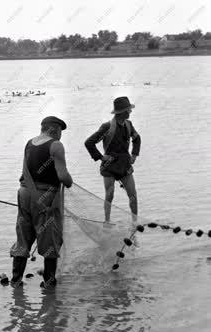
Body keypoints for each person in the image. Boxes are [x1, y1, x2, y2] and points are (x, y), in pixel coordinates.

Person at [10, 116, 73, 289]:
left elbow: (23, 174)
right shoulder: (56, 145)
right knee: (50, 237)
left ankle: (15, 282)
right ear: (54, 130)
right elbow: (63, 176)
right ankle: (49, 285)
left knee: (23, 235)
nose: (60, 136)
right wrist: (69, 181)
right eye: (60, 132)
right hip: (45, 198)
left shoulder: (29, 143)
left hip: (24, 194)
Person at [84, 96, 141, 222]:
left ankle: (135, 223)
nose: (130, 112)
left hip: (125, 164)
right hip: (109, 165)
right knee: (109, 195)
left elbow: (137, 138)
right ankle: (107, 221)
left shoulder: (128, 124)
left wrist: (134, 155)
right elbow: (89, 142)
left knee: (133, 195)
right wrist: (101, 157)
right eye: (128, 110)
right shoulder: (107, 127)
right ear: (121, 112)